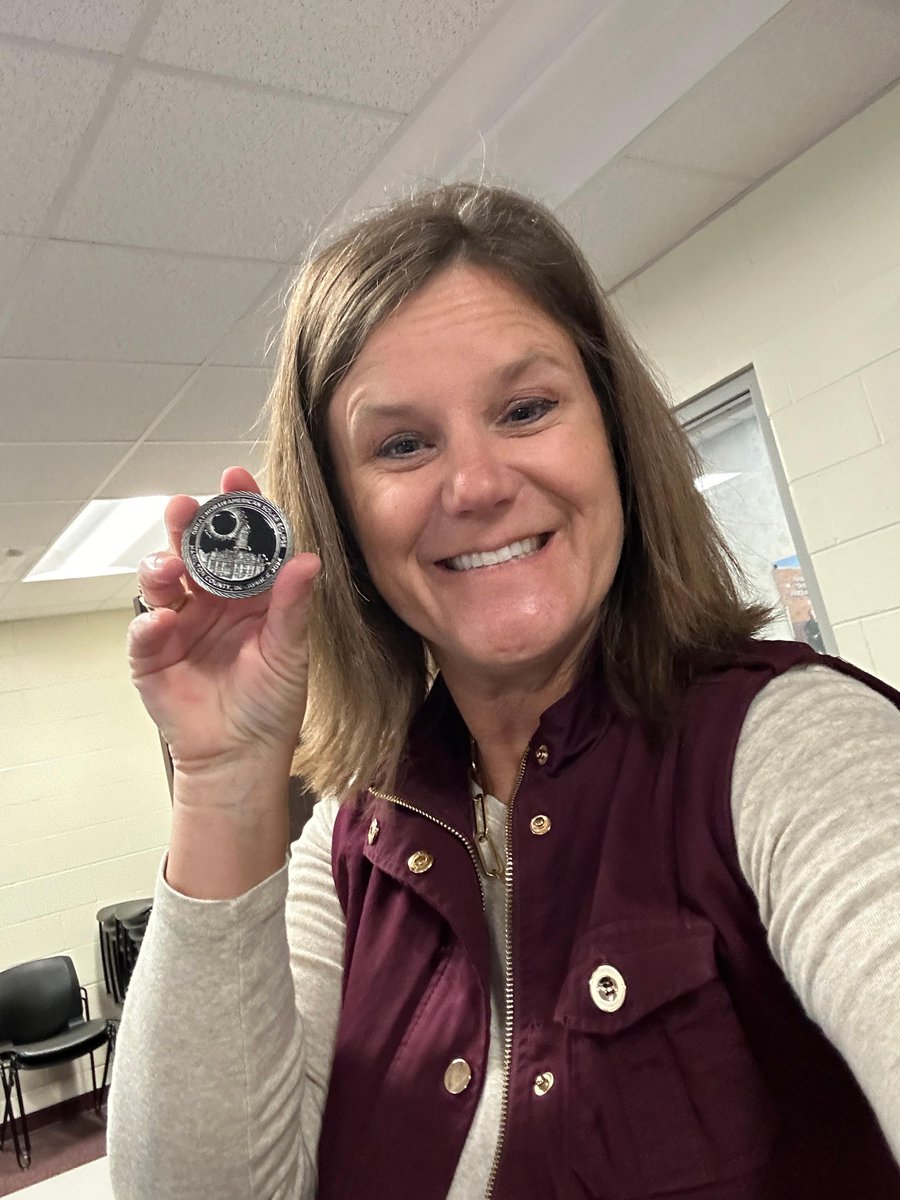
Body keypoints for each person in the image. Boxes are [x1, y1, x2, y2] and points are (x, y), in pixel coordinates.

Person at [108, 184, 900, 1200]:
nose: (476, 485)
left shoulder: (791, 748)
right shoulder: (348, 846)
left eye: (526, 410)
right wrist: (219, 783)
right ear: (345, 523)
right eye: (402, 444)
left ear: (612, 436)